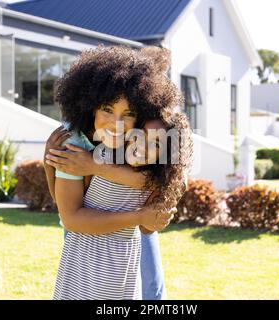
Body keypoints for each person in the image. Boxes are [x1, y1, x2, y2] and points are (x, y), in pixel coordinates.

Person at [43, 45, 191, 300]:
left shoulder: (142, 136)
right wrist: (51, 164)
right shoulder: (74, 141)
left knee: (151, 287)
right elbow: (68, 212)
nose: (117, 123)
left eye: (128, 114)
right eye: (107, 110)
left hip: (125, 242)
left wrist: (93, 166)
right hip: (86, 243)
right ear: (89, 105)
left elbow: (172, 180)